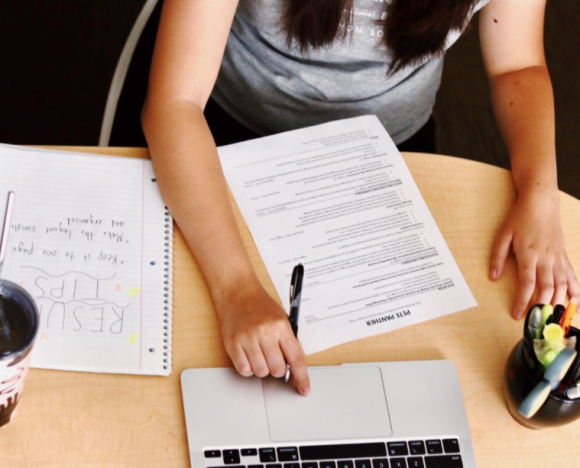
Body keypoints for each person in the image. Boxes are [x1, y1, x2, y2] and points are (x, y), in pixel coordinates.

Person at [141, 0, 579, 396]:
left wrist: (540, 195)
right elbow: (174, 103)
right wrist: (235, 288)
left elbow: (517, 66)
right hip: (228, 136)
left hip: (391, 152)